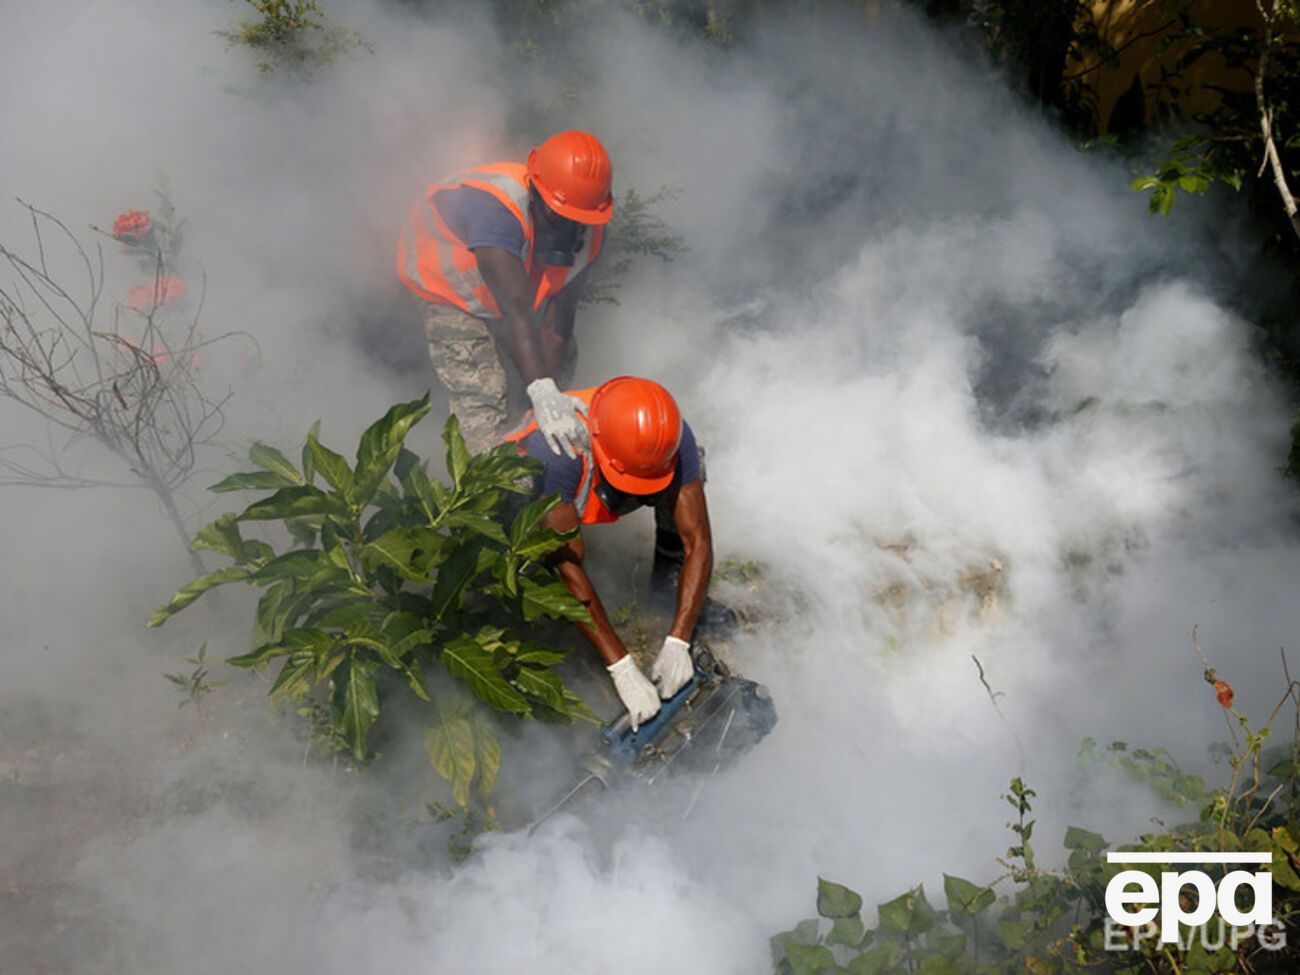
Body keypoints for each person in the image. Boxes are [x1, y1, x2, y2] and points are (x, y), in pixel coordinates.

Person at [506, 376, 734, 731]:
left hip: (608, 470)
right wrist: (622, 667)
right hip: (541, 482)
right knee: (544, 544)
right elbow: (568, 566)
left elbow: (698, 541)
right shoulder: (560, 456)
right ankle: (522, 600)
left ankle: (666, 581)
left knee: (687, 474)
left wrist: (679, 639)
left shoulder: (667, 435)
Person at [397, 130, 613, 456]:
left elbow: (558, 324)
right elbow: (517, 314)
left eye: (579, 221)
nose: (571, 231)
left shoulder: (592, 231)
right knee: (484, 390)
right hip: (448, 286)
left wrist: (539, 407)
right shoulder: (496, 211)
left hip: (511, 291)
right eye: (561, 218)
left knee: (562, 362)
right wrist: (541, 389)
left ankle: (532, 442)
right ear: (536, 193)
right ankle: (485, 481)